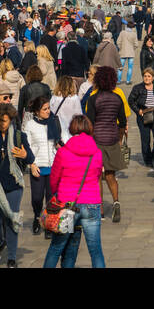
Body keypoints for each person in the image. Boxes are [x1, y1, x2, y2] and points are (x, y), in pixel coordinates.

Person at [43, 114, 107, 268]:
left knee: (57, 247)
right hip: (91, 204)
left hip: (67, 206)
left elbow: (54, 180)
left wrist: (58, 193)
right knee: (96, 251)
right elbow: (97, 175)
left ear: (72, 129)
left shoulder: (63, 152)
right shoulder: (97, 153)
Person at [0, 101, 32, 267]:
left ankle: (11, 257)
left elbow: (30, 158)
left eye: (5, 120)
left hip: (13, 185)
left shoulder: (19, 137)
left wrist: (25, 154)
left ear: (11, 119)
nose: (2, 124)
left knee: (11, 220)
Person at [83, 66, 130, 222]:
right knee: (111, 175)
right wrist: (119, 137)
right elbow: (122, 122)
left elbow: (89, 122)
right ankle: (116, 201)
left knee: (97, 176)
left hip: (97, 141)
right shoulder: (116, 99)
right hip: (112, 139)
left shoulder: (93, 99)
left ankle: (100, 209)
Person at [22, 95, 62, 237]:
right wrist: (31, 164)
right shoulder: (29, 126)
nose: (48, 111)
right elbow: (26, 147)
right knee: (37, 198)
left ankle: (49, 225)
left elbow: (58, 141)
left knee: (51, 198)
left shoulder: (54, 121)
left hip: (54, 166)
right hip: (38, 166)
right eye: (44, 109)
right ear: (37, 111)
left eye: (49, 108)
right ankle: (37, 216)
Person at [127, 68, 154, 167]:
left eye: (149, 76)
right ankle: (148, 160)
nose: (147, 78)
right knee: (145, 139)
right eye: (145, 76)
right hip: (143, 115)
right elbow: (131, 100)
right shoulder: (137, 88)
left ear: (153, 78)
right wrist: (137, 110)